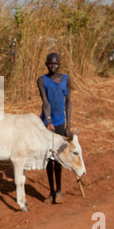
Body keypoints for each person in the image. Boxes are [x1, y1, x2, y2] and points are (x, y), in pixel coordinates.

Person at [37, 53, 72, 204]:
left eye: (55, 63)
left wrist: (68, 126)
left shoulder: (66, 79)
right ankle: (51, 191)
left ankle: (59, 191)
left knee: (58, 158)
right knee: (49, 158)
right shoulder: (42, 80)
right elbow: (45, 102)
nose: (53, 65)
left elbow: (69, 102)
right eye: (50, 63)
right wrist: (48, 121)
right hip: (46, 124)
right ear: (46, 64)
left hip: (60, 124)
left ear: (59, 64)